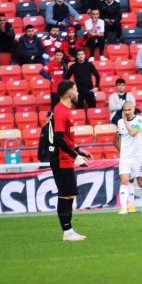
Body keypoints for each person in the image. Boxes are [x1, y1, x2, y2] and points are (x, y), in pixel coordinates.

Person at [50, 80, 93, 241]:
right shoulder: (61, 111)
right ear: (69, 94)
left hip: (67, 157)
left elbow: (66, 139)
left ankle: (69, 231)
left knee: (69, 195)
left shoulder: (65, 110)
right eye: (76, 90)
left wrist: (77, 149)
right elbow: (59, 138)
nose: (78, 93)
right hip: (62, 159)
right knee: (65, 195)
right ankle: (67, 232)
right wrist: (76, 157)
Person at [116, 102, 142, 214]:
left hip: (139, 156)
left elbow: (133, 133)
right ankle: (123, 208)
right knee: (124, 180)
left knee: (141, 182)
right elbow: (119, 138)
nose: (127, 112)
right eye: (125, 110)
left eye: (129, 110)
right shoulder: (119, 122)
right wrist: (122, 151)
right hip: (126, 157)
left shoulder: (139, 120)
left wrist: (126, 122)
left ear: (133, 109)